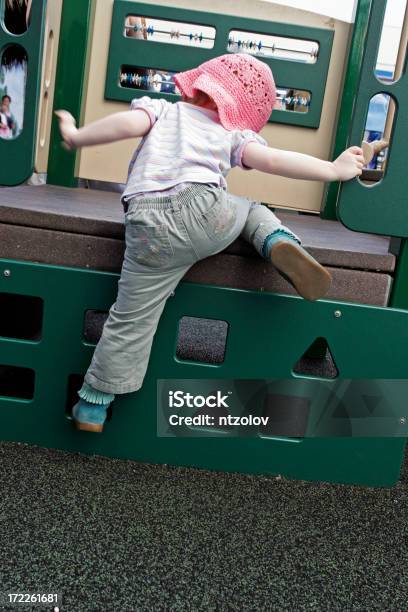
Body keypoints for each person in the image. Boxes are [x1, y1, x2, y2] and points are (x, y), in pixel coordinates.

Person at [55, 53, 364, 433]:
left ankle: (93, 403)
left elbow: (121, 125)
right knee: (249, 209)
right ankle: (278, 241)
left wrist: (75, 134)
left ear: (199, 84)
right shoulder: (232, 134)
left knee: (130, 318)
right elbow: (274, 160)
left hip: (145, 224)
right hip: (205, 213)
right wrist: (333, 169)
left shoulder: (162, 111)